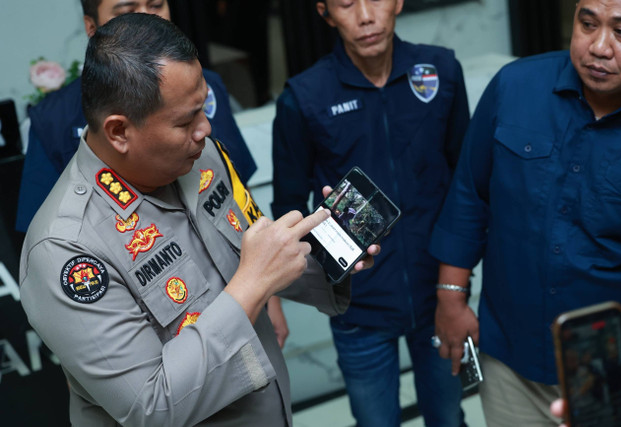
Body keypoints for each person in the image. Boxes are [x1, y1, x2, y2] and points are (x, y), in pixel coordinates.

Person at [19, 13, 380, 426]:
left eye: (202, 107)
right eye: (185, 120)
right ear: (119, 131)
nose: (205, 129)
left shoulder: (201, 158)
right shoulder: (66, 249)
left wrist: (331, 253)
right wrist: (252, 284)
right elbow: (150, 407)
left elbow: (254, 250)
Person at [428, 0, 621, 425]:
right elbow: (469, 192)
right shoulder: (515, 85)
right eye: (587, 24)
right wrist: (451, 297)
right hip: (509, 354)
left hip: (616, 369)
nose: (599, 47)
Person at [271, 0, 470, 425]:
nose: (365, 15)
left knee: (449, 417)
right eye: (346, 3)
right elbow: (287, 210)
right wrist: (324, 270)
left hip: (441, 293)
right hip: (357, 304)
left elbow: (466, 184)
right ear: (324, 11)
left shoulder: (441, 71)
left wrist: (458, 288)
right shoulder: (303, 97)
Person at [15, 0, 256, 234]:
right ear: (92, 27)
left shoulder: (205, 85)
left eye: (155, 6)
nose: (147, 19)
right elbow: (49, 229)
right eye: (128, 10)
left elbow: (238, 183)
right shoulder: (53, 118)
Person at [550, 356, 621, 426]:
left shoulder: (589, 368)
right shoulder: (571, 377)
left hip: (601, 407)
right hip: (585, 412)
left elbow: (601, 380)